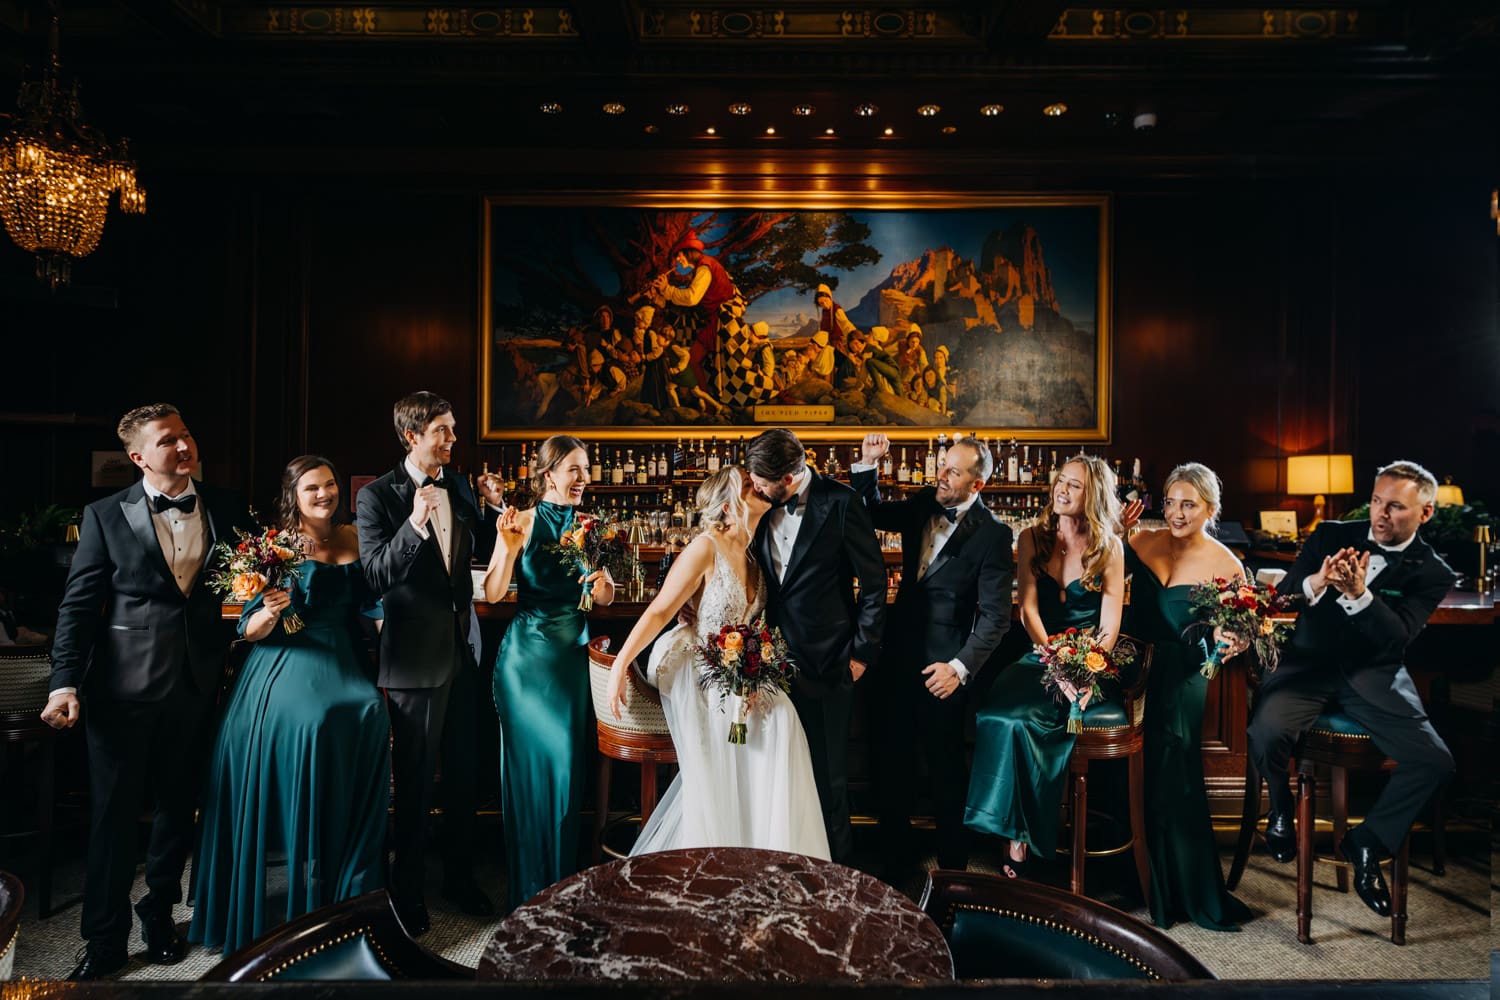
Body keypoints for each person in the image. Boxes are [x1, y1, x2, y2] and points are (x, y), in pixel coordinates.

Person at [42, 403, 252, 980]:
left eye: (186, 434)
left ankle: (158, 916)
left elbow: (245, 584)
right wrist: (64, 681)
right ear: (138, 456)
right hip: (121, 692)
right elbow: (78, 608)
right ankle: (104, 938)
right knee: (112, 819)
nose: (184, 447)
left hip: (196, 685)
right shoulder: (106, 515)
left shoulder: (228, 505)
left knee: (176, 813)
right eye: (168, 441)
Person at [189, 456, 390, 954]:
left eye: (328, 485)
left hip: (340, 652)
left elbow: (372, 604)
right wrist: (269, 613)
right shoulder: (273, 545)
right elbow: (247, 628)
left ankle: (351, 889)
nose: (324, 494)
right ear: (293, 496)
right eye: (311, 489)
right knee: (317, 720)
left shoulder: (354, 536)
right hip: (284, 657)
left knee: (368, 709)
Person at [1246, 460, 1455, 919]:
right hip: (1308, 665)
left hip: (1373, 676)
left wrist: (1362, 596)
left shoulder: (1432, 572)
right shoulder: (1329, 534)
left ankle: (1366, 842)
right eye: (1377, 501)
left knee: (1435, 760)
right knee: (1265, 732)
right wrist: (1318, 581)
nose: (1381, 513)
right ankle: (1281, 809)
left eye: (1396, 506)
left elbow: (1397, 636)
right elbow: (1285, 596)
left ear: (1425, 513)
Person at [602, 466, 829, 859]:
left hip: (735, 663)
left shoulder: (756, 558)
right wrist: (621, 665)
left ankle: (769, 854)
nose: (758, 485)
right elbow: (659, 611)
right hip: (694, 661)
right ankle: (723, 849)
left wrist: (752, 673)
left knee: (782, 718)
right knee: (763, 723)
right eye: (747, 484)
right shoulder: (705, 547)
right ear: (727, 504)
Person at [356, 391, 502, 935]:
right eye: (443, 430)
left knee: (465, 772)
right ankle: (407, 890)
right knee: (415, 783)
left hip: (463, 652)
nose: (453, 438)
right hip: (413, 661)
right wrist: (413, 526)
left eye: (453, 428)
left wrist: (487, 507)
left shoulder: (460, 486)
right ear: (412, 435)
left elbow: (476, 552)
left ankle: (459, 878)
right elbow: (373, 577)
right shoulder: (376, 498)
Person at [850, 433, 1014, 877]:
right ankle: (893, 864)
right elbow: (871, 514)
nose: (941, 474)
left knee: (944, 769)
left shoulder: (995, 536)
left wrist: (959, 669)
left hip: (943, 669)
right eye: (943, 464)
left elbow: (997, 618)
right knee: (890, 761)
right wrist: (868, 464)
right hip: (895, 656)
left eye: (953, 471)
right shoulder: (924, 502)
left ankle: (954, 872)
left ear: (975, 485)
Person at [964, 454, 1126, 879]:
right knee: (997, 715)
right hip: (1039, 656)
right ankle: (1014, 831)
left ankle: (1020, 843)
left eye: (1074, 485)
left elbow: (1109, 626)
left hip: (1089, 663)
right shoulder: (1033, 538)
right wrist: (1053, 658)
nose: (1062, 489)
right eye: (1061, 481)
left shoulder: (1109, 547)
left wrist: (1084, 669)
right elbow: (1028, 612)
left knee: (1027, 723)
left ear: (1093, 495)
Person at [482, 435, 616, 910]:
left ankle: (559, 890)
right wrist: (507, 545)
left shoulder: (590, 525)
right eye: (574, 470)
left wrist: (604, 584)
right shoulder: (522, 520)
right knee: (532, 776)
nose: (584, 479)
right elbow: (495, 594)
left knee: (565, 774)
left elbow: (603, 598)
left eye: (587, 469)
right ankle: (530, 892)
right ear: (549, 474)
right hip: (527, 662)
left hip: (572, 660)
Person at [745, 427, 886, 862]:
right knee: (774, 775)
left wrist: (861, 654)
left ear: (788, 479)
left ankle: (837, 877)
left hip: (829, 664)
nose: (754, 486)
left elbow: (875, 584)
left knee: (829, 781)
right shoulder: (757, 505)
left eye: (761, 481)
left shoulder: (841, 502)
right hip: (768, 664)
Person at [1122, 462, 1252, 931]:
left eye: (1188, 504)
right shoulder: (1139, 540)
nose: (1176, 513)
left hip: (1187, 674)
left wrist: (1234, 639)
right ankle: (1135, 877)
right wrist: (1115, 533)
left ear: (1210, 509)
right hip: (1133, 668)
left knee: (1173, 763)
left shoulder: (1227, 563)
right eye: (1170, 502)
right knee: (1131, 769)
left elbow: (1241, 630)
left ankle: (1183, 887)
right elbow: (1099, 581)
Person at [652, 230, 740, 388]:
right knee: (698, 360)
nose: (678, 259)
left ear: (688, 253)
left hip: (720, 322)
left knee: (695, 359)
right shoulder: (699, 269)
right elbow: (685, 305)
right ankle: (706, 399)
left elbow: (691, 298)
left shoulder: (704, 269)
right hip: (713, 320)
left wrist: (666, 289)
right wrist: (658, 297)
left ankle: (708, 402)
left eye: (679, 255)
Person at [813, 282, 858, 352]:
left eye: (825, 300)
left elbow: (845, 324)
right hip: (828, 344)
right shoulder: (824, 311)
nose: (824, 304)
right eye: (821, 303)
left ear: (830, 297)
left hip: (838, 344)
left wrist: (855, 336)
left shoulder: (837, 310)